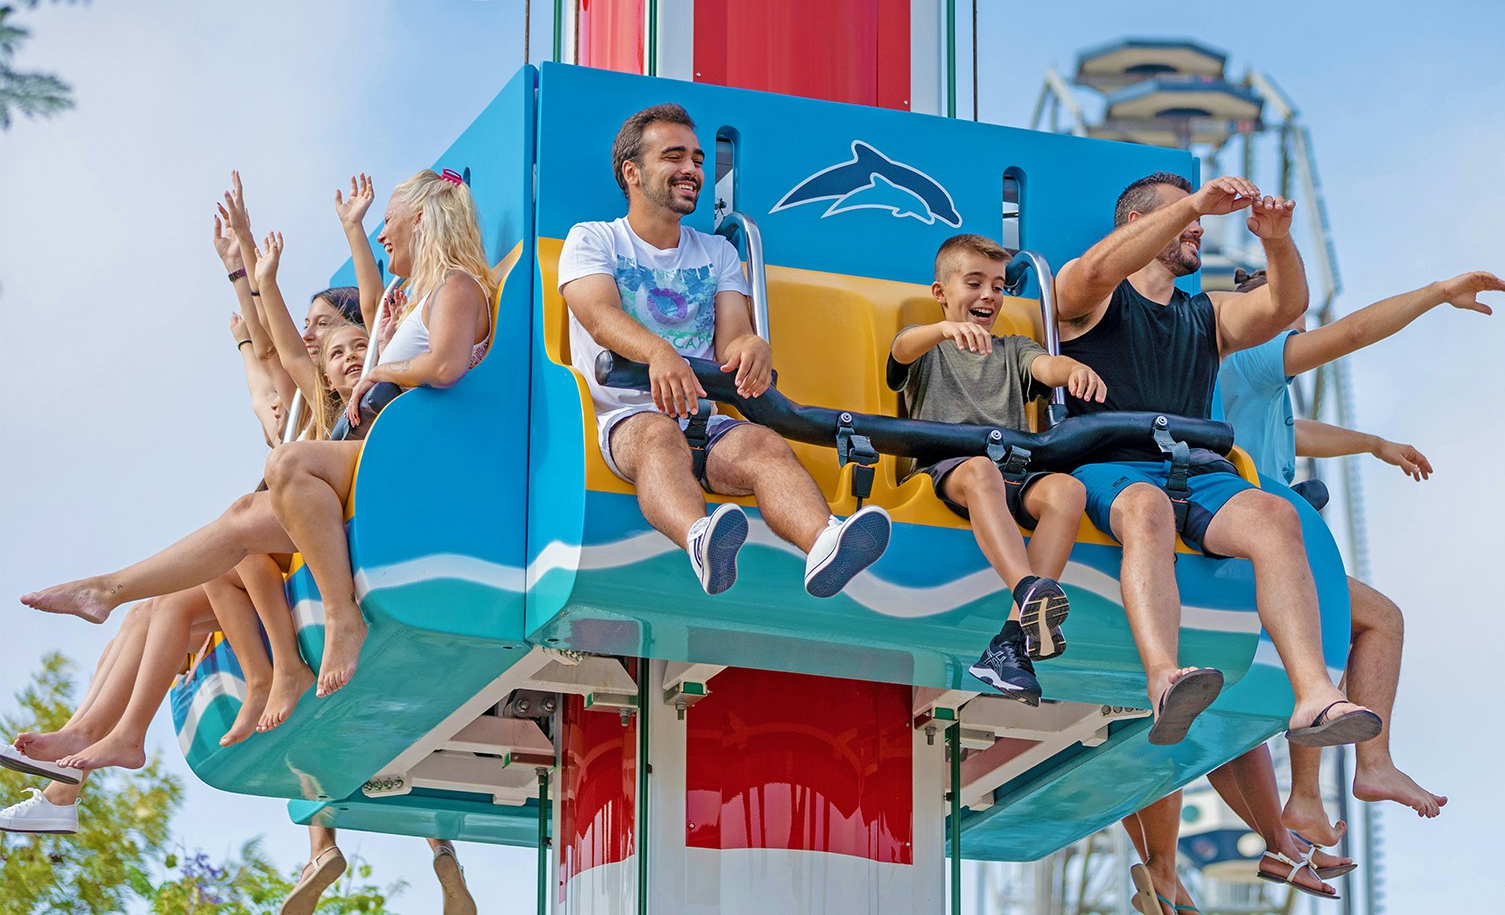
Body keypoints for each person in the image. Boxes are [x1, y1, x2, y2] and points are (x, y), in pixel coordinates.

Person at [22, 170, 496, 700]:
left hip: (401, 455)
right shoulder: (414, 298)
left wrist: (382, 372)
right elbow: (352, 323)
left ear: (423, 217)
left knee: (288, 463)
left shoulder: (456, 284)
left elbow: (448, 364)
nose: (383, 234)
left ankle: (343, 617)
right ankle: (109, 589)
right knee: (243, 517)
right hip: (373, 453)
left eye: (388, 220)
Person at [1052, 172, 1382, 748]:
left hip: (1199, 472)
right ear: (1139, 224)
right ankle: (1163, 678)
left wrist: (1276, 239)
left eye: (1199, 217)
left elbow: (1285, 307)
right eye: (1186, 216)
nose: (1200, 227)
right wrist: (1197, 203)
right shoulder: (1085, 295)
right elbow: (1096, 272)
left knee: (1276, 517)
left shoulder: (1206, 313)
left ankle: (1314, 696)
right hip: (1112, 465)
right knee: (1148, 509)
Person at [1219, 266, 1505, 839]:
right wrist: (1436, 292)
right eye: (1287, 329)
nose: (1294, 342)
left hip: (1237, 533)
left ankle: (1305, 800)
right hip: (1249, 540)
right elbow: (1351, 335)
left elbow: (1295, 431)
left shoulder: (1242, 378)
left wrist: (1372, 444)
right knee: (1378, 620)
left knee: (1318, 639)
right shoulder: (1250, 356)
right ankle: (1371, 765)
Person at [558, 103, 890, 597]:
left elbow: (732, 335)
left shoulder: (717, 252)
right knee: (657, 438)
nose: (692, 169)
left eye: (696, 159)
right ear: (632, 172)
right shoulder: (593, 239)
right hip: (627, 417)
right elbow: (600, 316)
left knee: (765, 445)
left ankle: (824, 544)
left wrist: (752, 345)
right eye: (674, 157)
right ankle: (699, 538)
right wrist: (660, 353)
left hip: (705, 417)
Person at [887, 233, 1106, 704]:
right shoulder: (931, 346)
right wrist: (942, 331)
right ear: (941, 293)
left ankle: (1010, 642)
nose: (988, 295)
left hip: (1012, 472)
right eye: (974, 283)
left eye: (999, 286)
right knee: (981, 472)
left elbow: (1044, 366)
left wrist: (1072, 372)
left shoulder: (1012, 348)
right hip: (948, 467)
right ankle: (1029, 589)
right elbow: (901, 349)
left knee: (1066, 490)